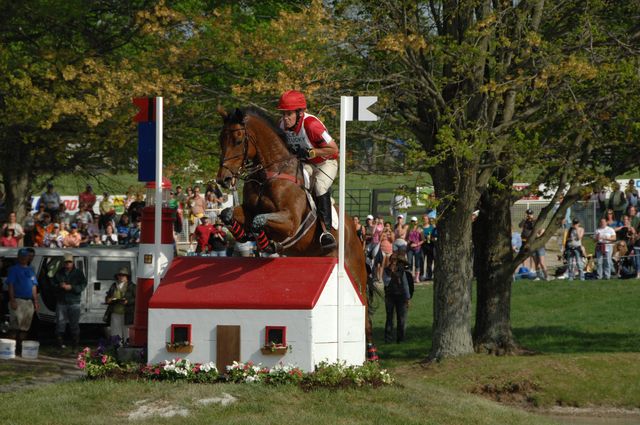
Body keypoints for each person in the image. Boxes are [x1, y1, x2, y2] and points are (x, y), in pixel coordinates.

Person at [277, 89, 339, 249]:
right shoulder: (282, 125)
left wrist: (313, 152)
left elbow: (334, 149)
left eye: (288, 114)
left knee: (319, 186)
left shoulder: (312, 125)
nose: (285, 118)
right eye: (283, 114)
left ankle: (327, 231)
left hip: (325, 162)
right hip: (305, 164)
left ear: (300, 113)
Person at [6, 248, 39, 354]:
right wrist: (12, 300)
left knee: (25, 327)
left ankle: (20, 349)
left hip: (29, 302)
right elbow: (10, 285)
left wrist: (36, 301)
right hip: (17, 300)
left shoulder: (30, 270)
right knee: (14, 327)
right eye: (22, 256)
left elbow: (34, 286)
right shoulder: (13, 269)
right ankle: (11, 349)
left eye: (26, 256)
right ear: (18, 257)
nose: (24, 258)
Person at [52, 253, 87, 348]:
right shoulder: (59, 273)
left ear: (72, 262)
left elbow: (83, 285)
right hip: (61, 302)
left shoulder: (78, 273)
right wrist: (59, 285)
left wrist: (71, 287)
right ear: (63, 263)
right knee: (60, 324)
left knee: (74, 324)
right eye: (66, 262)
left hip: (74, 302)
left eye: (69, 262)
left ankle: (75, 346)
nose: (68, 264)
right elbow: (52, 284)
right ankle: (59, 345)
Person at [382, 253, 411, 343]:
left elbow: (405, 284)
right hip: (390, 296)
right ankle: (388, 339)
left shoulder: (401, 270)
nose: (394, 262)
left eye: (395, 260)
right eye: (393, 260)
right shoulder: (386, 270)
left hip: (401, 296)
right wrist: (391, 273)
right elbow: (386, 282)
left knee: (401, 318)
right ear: (390, 261)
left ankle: (400, 339)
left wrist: (407, 298)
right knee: (389, 318)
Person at [104, 267, 136, 343]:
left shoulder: (132, 286)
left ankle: (127, 350)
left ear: (127, 276)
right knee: (115, 333)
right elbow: (108, 297)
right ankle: (116, 349)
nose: (121, 277)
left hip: (128, 313)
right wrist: (108, 300)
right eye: (120, 275)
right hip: (115, 313)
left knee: (127, 334)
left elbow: (137, 299)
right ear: (117, 276)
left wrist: (128, 301)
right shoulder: (113, 285)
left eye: (123, 275)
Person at [406, 217, 424, 282]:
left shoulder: (420, 229)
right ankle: (410, 277)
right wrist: (408, 241)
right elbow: (406, 238)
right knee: (409, 262)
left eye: (414, 221)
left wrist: (416, 244)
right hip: (409, 248)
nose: (413, 222)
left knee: (417, 263)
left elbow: (423, 240)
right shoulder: (409, 229)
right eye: (412, 221)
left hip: (417, 248)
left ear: (417, 222)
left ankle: (417, 278)